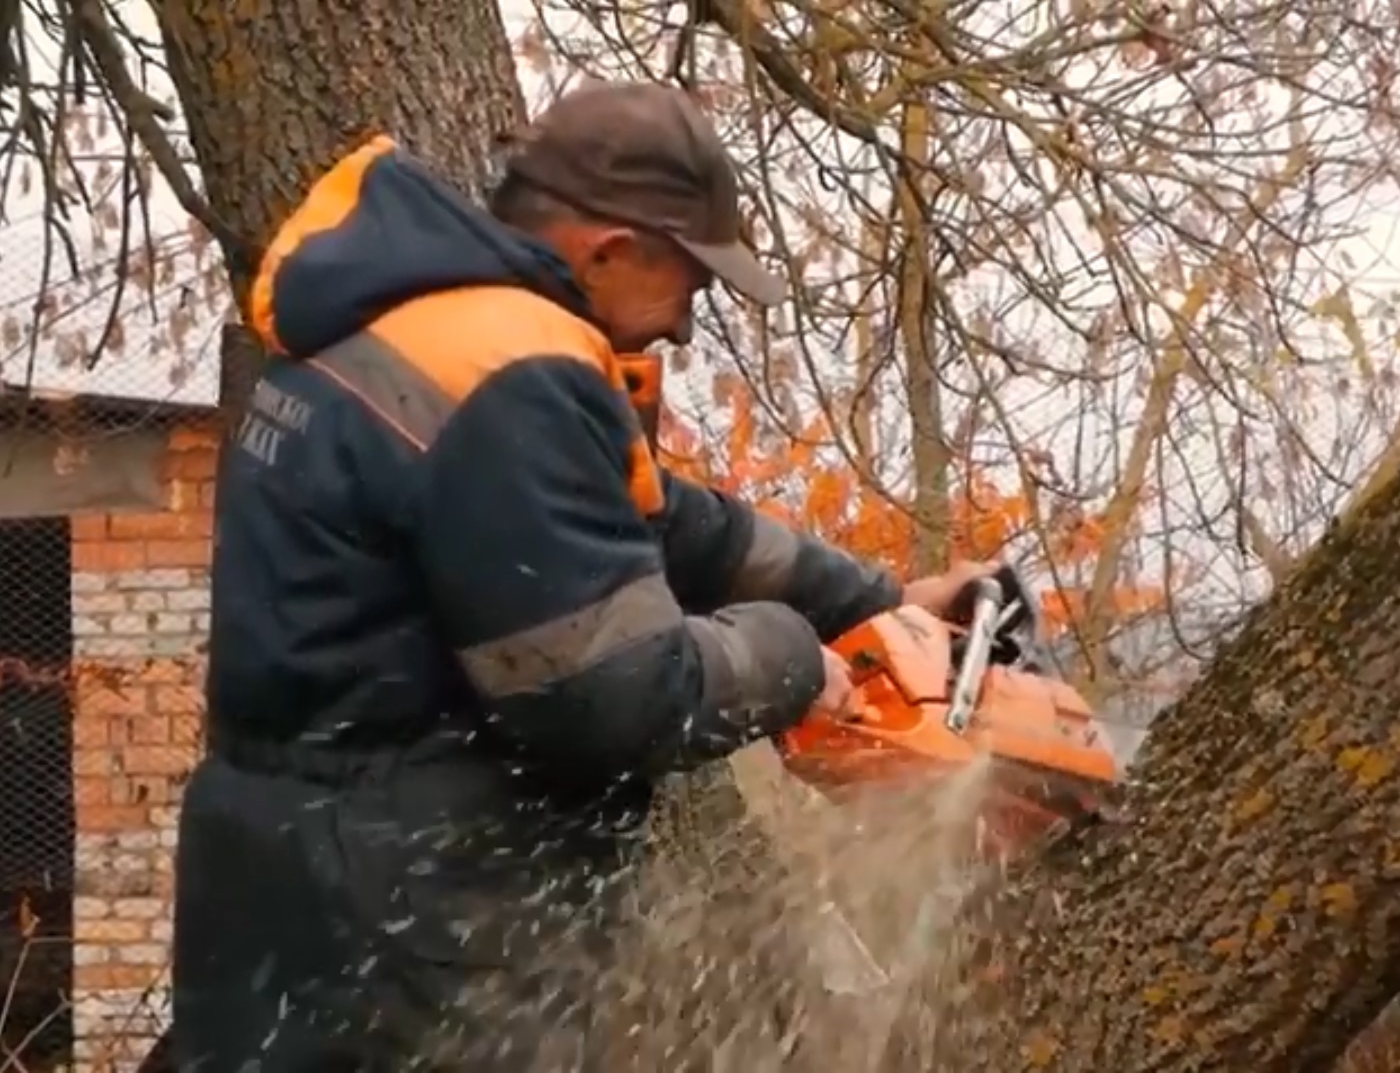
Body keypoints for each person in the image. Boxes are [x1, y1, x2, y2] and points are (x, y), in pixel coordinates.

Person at [170, 80, 992, 1071]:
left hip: (294, 878)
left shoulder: (416, 330)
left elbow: (667, 525)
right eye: (689, 284)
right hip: (409, 930)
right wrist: (796, 663)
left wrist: (873, 600)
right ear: (612, 249)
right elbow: (615, 693)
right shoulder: (516, 372)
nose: (686, 326)